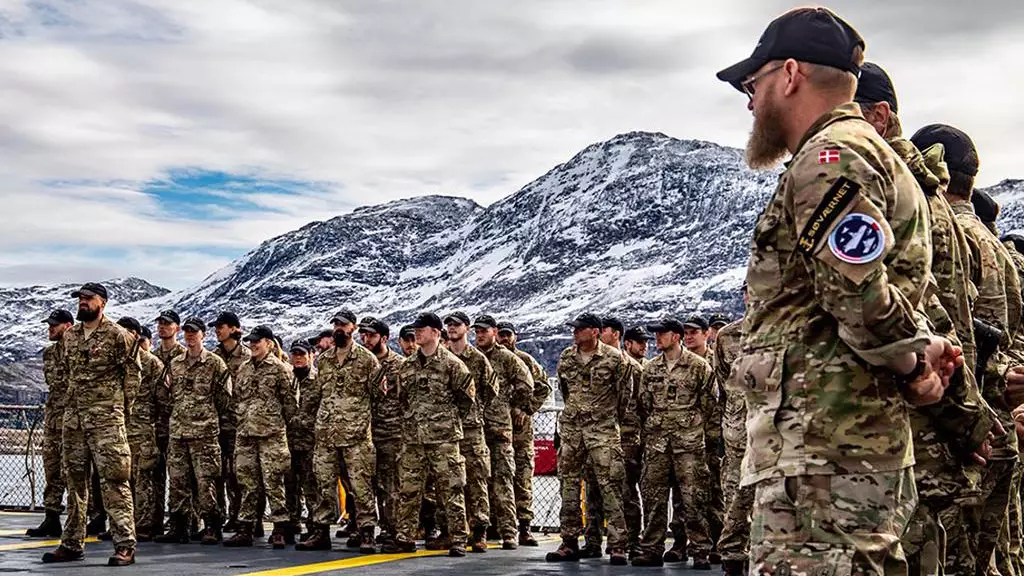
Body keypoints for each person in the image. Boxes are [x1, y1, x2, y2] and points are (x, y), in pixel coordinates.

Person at [716, 7, 961, 573]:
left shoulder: (832, 159)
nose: (751, 102)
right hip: (842, 446)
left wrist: (911, 365)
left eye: (753, 85)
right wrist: (916, 352)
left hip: (824, 451)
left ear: (791, 74)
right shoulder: (860, 154)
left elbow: (856, 293)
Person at [855, 64, 998, 576]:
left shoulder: (892, 191)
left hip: (908, 427)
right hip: (926, 425)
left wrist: (968, 418)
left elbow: (925, 318)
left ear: (879, 115)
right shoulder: (922, 193)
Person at [42, 283, 140, 567]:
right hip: (74, 422)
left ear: (102, 303)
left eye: (89, 299)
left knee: (115, 482)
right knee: (75, 483)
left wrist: (120, 410)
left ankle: (125, 545)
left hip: (107, 421)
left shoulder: (118, 336)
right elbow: (66, 375)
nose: (83, 303)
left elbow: (133, 375)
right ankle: (72, 543)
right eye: (80, 299)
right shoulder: (70, 337)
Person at [384, 312, 475, 557]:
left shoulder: (452, 364)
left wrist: (445, 422)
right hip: (414, 439)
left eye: (422, 328)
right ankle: (405, 537)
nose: (417, 333)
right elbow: (402, 399)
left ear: (436, 332)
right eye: (415, 329)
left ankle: (457, 538)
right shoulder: (408, 366)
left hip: (443, 439)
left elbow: (466, 400)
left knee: (451, 489)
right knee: (409, 490)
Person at [546, 313, 632, 566]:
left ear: (595, 332)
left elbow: (624, 397)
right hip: (573, 430)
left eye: (581, 329)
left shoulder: (615, 359)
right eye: (574, 328)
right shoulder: (566, 357)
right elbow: (565, 390)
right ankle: (569, 541)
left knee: (611, 486)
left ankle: (617, 545)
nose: (575, 332)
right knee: (568, 486)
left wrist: (607, 419)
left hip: (602, 430)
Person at [631, 316, 713, 569]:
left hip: (688, 444)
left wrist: (694, 429)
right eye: (655, 334)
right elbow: (643, 404)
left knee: (693, 499)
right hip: (657, 444)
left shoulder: (699, 367)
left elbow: (709, 404)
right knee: (653, 499)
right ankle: (652, 548)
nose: (656, 338)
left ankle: (700, 550)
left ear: (676, 337)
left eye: (662, 334)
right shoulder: (651, 368)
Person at [296, 309, 381, 553]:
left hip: (356, 436)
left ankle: (366, 532)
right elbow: (315, 396)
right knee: (324, 484)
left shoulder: (366, 360)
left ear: (353, 328)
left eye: (343, 325)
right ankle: (321, 531)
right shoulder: (323, 361)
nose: (338, 329)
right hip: (326, 436)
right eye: (335, 325)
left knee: (361, 485)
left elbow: (378, 397)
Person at [223, 325, 297, 548]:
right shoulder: (244, 369)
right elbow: (236, 399)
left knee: (274, 481)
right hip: (245, 434)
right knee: (247, 482)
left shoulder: (281, 369)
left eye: (258, 341)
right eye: (251, 341)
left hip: (271, 435)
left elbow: (290, 404)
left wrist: (278, 426)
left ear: (269, 343)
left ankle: (280, 528)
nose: (253, 345)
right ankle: (246, 526)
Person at [159, 317, 231, 545]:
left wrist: (205, 415)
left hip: (204, 433)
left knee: (206, 482)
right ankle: (179, 526)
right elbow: (167, 395)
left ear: (203, 335)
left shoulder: (215, 363)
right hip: (179, 432)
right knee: (178, 482)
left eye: (194, 332)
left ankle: (211, 526)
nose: (190, 336)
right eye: (187, 332)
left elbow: (224, 398)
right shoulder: (176, 364)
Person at [473, 315, 533, 550]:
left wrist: (519, 408)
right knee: (478, 483)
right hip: (477, 429)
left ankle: (510, 532)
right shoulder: (473, 358)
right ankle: (481, 531)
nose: (480, 335)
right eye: (477, 331)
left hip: (499, 429)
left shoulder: (508, 359)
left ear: (494, 332)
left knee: (503, 481)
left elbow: (528, 385)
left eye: (484, 331)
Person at [444, 311, 497, 552]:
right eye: (449, 325)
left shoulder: (477, 359)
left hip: (472, 429)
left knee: (477, 480)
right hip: (447, 429)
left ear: (466, 328)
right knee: (451, 482)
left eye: (456, 325)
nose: (452, 328)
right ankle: (454, 530)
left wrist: (474, 412)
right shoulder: (441, 357)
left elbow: (490, 390)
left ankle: (479, 532)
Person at [495, 321, 551, 546]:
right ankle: (496, 524)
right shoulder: (489, 360)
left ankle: (525, 526)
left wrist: (526, 409)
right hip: (497, 429)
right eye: (500, 335)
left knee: (522, 477)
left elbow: (543, 387)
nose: (504, 339)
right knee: (497, 478)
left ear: (515, 337)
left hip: (520, 432)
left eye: (508, 335)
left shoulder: (525, 361)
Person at [27, 309, 74, 538]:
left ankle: (82, 520)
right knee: (52, 470)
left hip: (74, 420)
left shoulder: (77, 351)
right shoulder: (49, 354)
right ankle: (51, 517)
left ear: (67, 326)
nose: (50, 329)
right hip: (54, 419)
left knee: (74, 473)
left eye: (54, 325)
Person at [359, 317, 404, 545]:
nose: (365, 340)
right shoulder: (359, 363)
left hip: (390, 433)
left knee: (390, 486)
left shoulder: (398, 365)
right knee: (364, 484)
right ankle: (364, 528)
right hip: (362, 434)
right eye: (363, 335)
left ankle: (391, 528)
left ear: (384, 339)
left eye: (371, 335)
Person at [209, 311, 252, 534]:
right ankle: (220, 515)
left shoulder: (247, 357)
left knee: (239, 474)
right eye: (216, 326)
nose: (217, 330)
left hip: (240, 424)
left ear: (235, 329)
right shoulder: (214, 357)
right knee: (218, 472)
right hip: (217, 424)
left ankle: (242, 517)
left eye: (222, 326)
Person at [285, 339, 319, 538]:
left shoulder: (319, 380)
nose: (298, 358)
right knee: (289, 485)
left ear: (310, 356)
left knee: (311, 486)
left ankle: (315, 527)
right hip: (289, 441)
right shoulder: (287, 379)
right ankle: (292, 522)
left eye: (302, 354)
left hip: (310, 442)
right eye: (295, 354)